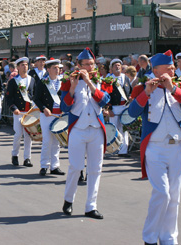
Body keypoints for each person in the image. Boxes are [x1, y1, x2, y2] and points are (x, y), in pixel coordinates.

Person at [128, 50, 181, 245]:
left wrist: (173, 89)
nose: (174, 69)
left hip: (176, 147)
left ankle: (169, 238)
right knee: (162, 193)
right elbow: (132, 113)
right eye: (169, 67)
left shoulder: (179, 86)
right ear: (156, 70)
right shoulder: (143, 87)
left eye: (173, 67)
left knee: (174, 196)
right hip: (155, 148)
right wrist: (147, 93)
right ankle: (149, 238)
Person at [60, 48, 110, 220]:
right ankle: (68, 200)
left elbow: (104, 100)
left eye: (92, 64)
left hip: (96, 129)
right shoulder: (68, 81)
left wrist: (90, 83)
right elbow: (65, 107)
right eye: (86, 65)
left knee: (95, 169)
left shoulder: (101, 80)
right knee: (75, 167)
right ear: (78, 65)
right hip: (77, 129)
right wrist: (73, 88)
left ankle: (91, 206)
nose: (90, 67)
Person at [34, 58, 65, 176]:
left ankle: (55, 166)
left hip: (59, 114)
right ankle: (44, 166)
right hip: (47, 115)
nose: (57, 70)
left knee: (57, 141)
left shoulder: (63, 81)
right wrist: (43, 108)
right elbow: (36, 98)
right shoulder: (43, 82)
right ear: (48, 69)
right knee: (47, 141)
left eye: (58, 68)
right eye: (54, 68)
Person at [4, 57, 34, 167]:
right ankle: (15, 155)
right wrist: (13, 108)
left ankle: (27, 158)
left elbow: (34, 95)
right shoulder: (13, 81)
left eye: (26, 64)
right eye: (22, 65)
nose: (25, 66)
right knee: (18, 134)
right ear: (18, 67)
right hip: (18, 111)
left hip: (29, 112)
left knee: (28, 135)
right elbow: (9, 97)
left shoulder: (32, 80)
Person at [106, 58, 131, 157]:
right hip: (114, 108)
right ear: (111, 68)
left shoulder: (126, 78)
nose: (117, 67)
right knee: (114, 129)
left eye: (119, 65)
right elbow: (106, 95)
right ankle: (113, 149)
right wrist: (109, 109)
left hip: (124, 107)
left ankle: (123, 151)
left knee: (124, 129)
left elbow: (131, 90)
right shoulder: (108, 79)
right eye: (115, 65)